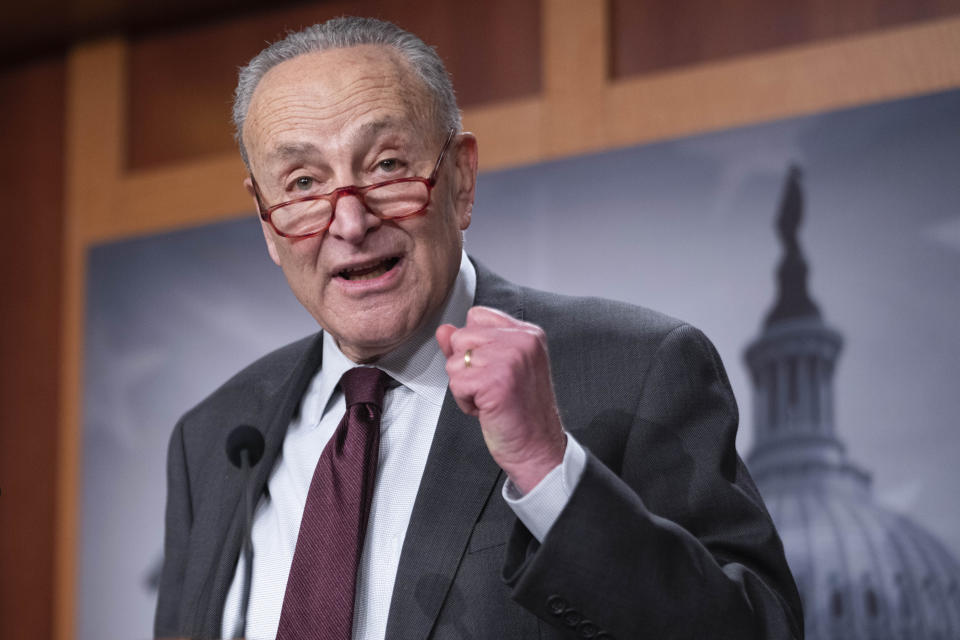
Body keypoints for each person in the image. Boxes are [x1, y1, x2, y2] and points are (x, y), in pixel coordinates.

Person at [155, 16, 802, 640]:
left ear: (461, 179)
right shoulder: (212, 442)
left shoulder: (638, 373)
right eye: (302, 182)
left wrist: (549, 472)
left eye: (385, 166)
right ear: (267, 222)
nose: (349, 224)